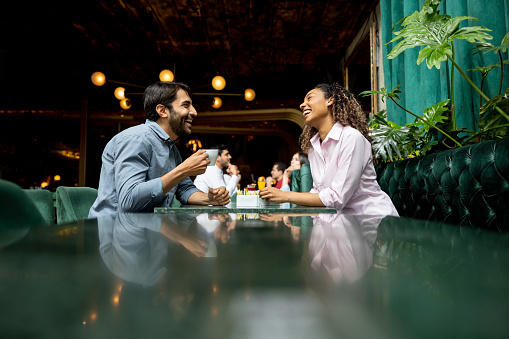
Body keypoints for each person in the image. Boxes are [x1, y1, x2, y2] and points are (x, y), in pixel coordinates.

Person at [89, 81, 230, 218]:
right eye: (186, 105)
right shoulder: (136, 139)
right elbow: (128, 201)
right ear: (162, 111)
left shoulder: (171, 148)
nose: (194, 112)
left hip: (150, 231)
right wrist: (183, 170)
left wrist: (210, 199)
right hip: (115, 233)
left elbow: (185, 189)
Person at [259, 83, 398, 216]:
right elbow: (318, 192)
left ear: (330, 101)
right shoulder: (314, 147)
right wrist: (284, 213)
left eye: (310, 98)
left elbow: (337, 198)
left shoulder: (351, 137)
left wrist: (285, 195)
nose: (302, 105)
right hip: (339, 221)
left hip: (372, 221)